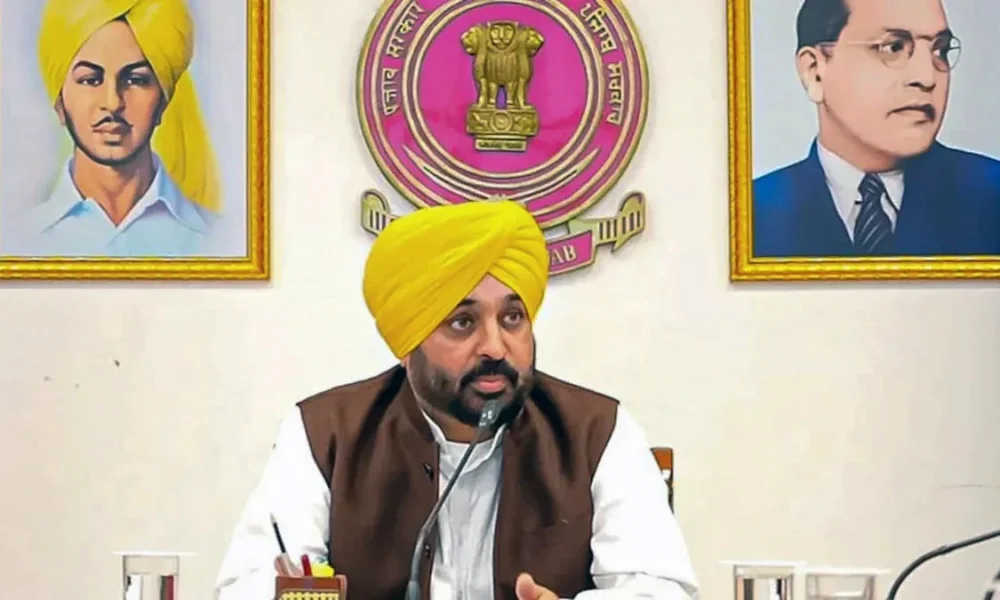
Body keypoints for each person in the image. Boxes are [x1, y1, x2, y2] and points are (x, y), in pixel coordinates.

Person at [214, 200, 699, 600]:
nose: (495, 347)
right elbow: (249, 583)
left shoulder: (597, 431)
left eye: (512, 319)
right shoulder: (326, 434)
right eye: (463, 323)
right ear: (408, 343)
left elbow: (659, 588)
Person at [753, 0, 1000, 258]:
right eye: (893, 47)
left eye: (940, 50)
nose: (927, 78)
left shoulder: (991, 198)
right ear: (814, 71)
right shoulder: (750, 215)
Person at [3, 0, 221, 257]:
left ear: (163, 101)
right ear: (59, 102)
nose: (113, 102)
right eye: (90, 80)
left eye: (135, 80)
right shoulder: (18, 242)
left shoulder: (220, 239)